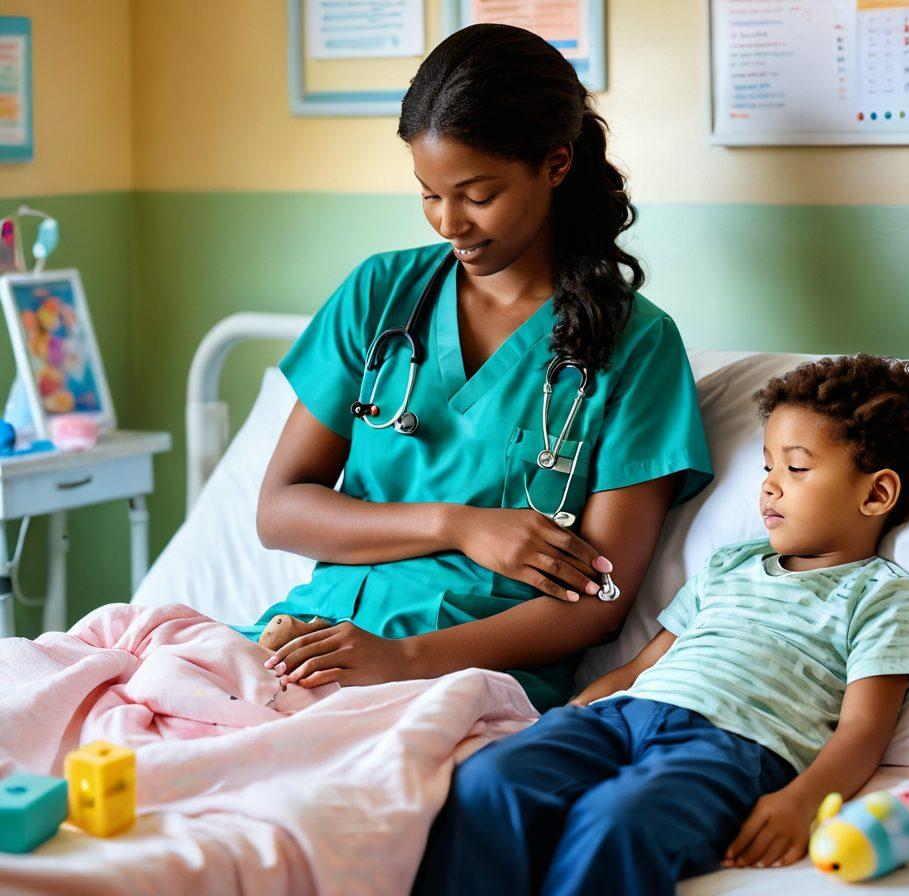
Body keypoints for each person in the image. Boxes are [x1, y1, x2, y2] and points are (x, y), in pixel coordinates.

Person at [234, 23, 713, 712]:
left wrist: (401, 659)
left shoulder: (635, 346)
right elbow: (281, 512)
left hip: (463, 681)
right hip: (303, 640)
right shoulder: (380, 295)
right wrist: (456, 524)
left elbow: (599, 601)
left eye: (477, 195)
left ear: (555, 164)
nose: (448, 222)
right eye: (429, 193)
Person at [414, 354, 909, 896]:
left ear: (877, 494)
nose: (770, 487)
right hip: (619, 719)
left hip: (732, 749)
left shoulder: (884, 594)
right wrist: (565, 720)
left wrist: (803, 800)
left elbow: (864, 728)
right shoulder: (730, 564)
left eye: (797, 468)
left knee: (617, 821)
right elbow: (642, 665)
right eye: (767, 467)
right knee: (489, 780)